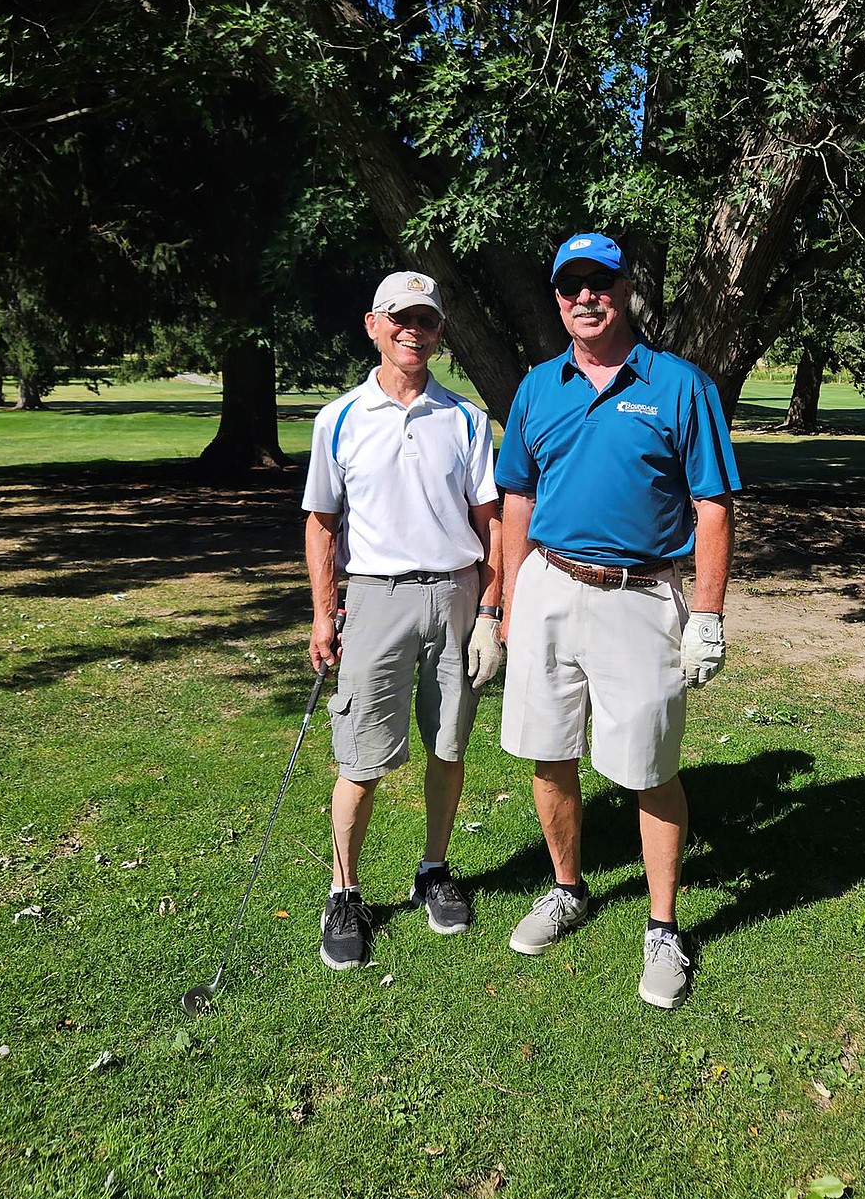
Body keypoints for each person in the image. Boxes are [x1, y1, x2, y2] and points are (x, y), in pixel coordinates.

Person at [495, 232, 740, 1010]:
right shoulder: (537, 387)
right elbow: (517, 502)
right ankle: (568, 887)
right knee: (547, 749)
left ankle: (663, 927)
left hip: (641, 597)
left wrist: (706, 614)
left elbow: (712, 504)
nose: (585, 298)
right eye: (571, 287)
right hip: (549, 587)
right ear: (557, 299)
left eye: (600, 283)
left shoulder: (679, 385)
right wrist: (498, 603)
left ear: (627, 288)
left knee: (649, 766)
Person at [303, 270, 503, 970]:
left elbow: (493, 524)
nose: (412, 330)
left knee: (448, 748)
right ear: (373, 325)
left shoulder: (467, 419)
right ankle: (344, 890)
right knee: (361, 759)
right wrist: (324, 613)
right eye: (400, 318)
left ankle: (433, 870)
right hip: (376, 598)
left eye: (425, 320)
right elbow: (322, 524)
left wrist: (489, 610)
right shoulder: (339, 418)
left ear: (441, 332)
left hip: (454, 595)